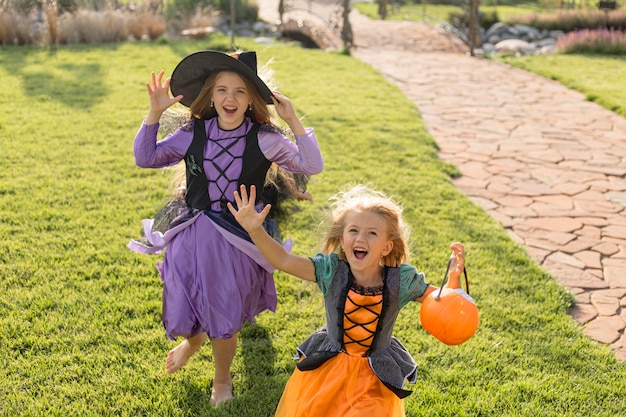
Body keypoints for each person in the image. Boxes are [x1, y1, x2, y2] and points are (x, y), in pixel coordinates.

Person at [128, 50, 324, 406]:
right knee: (186, 298)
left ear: (251, 99)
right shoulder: (193, 133)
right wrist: (154, 113)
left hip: (237, 238)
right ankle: (193, 339)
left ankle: (222, 378)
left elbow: (311, 164)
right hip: (191, 232)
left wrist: (293, 119)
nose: (229, 99)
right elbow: (146, 157)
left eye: (239, 91)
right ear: (210, 94)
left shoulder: (264, 138)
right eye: (221, 90)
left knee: (223, 309)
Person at [228, 184, 465, 417]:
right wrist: (255, 230)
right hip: (327, 371)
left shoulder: (400, 280)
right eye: (353, 231)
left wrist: (453, 278)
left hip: (374, 376)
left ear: (386, 247)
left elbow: (444, 302)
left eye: (372, 233)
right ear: (342, 240)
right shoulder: (330, 271)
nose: (360, 238)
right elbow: (283, 260)